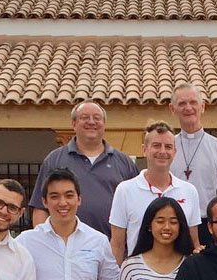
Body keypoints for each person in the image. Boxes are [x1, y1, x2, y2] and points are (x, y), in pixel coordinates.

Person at [29, 100, 139, 235]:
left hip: (112, 249)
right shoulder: (54, 160)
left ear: (104, 124)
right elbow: (40, 208)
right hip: (66, 248)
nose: (91, 122)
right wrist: (42, 241)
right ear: (74, 124)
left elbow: (136, 209)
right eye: (85, 118)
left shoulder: (124, 162)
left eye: (97, 118)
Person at [110, 121, 201, 266]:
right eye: (156, 145)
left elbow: (194, 242)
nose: (162, 151)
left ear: (174, 152)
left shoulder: (189, 191)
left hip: (181, 277)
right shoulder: (125, 190)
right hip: (139, 278)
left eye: (168, 147)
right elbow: (117, 245)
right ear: (144, 149)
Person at [168, 83, 217, 245]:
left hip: (208, 225)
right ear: (173, 109)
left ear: (203, 106)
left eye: (193, 102)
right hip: (173, 223)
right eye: (182, 104)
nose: (188, 108)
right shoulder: (167, 147)